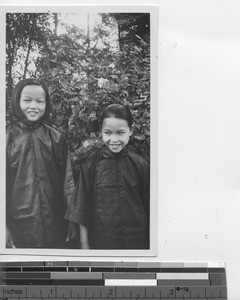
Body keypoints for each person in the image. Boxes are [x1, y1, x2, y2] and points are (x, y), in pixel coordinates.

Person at [65, 104, 150, 249]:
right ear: (101, 132)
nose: (114, 139)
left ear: (131, 131)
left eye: (120, 132)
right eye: (108, 133)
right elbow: (81, 210)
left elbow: (150, 208)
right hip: (102, 241)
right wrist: (85, 247)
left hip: (136, 242)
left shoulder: (140, 164)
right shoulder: (91, 165)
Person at [6, 78, 77, 248]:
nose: (33, 106)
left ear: (46, 104)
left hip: (55, 220)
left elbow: (67, 183)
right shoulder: (7, 139)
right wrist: (4, 227)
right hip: (20, 224)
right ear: (17, 102)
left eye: (39, 101)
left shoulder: (56, 138)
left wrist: (72, 219)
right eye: (27, 100)